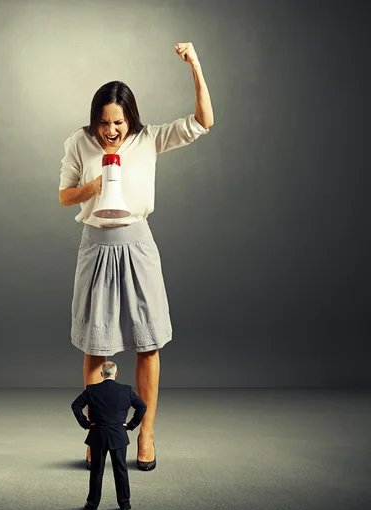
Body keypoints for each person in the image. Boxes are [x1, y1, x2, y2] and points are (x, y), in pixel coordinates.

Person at [59, 42, 214, 472]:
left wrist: (195, 66)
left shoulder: (149, 139)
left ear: (131, 119)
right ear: (95, 121)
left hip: (138, 245)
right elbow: (63, 196)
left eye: (119, 122)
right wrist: (92, 186)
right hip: (95, 247)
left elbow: (204, 121)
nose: (111, 131)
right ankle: (97, 435)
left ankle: (145, 433)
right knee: (95, 345)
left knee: (148, 343)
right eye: (105, 123)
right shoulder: (79, 142)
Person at [71, 361, 147, 510]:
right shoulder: (126, 390)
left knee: (96, 472)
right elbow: (142, 406)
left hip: (98, 434)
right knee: (121, 470)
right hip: (118, 435)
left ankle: (92, 505)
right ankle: (124, 504)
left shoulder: (92, 390)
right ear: (116, 374)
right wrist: (131, 425)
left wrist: (85, 424)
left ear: (101, 374)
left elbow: (75, 405)